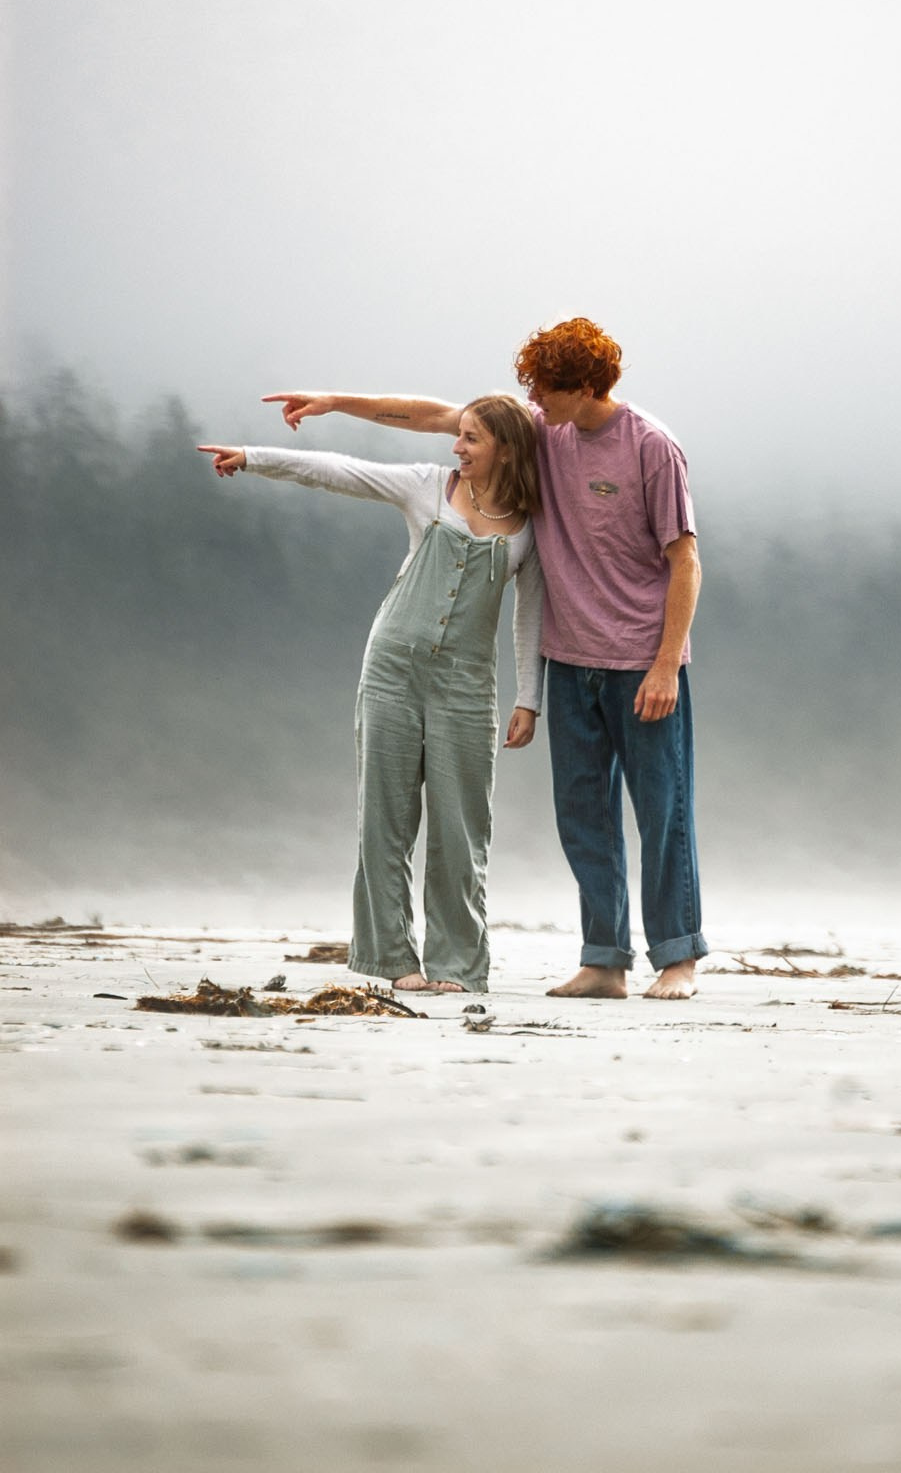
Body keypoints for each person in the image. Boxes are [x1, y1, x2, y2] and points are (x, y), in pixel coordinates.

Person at [263, 317, 706, 1000]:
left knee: (662, 810)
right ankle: (605, 961)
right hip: (570, 660)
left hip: (643, 662)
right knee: (584, 817)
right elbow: (433, 415)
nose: (535, 400)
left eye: (546, 388)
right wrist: (334, 402)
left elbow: (686, 560)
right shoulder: (544, 430)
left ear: (585, 385)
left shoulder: (652, 447)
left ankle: (678, 959)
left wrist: (667, 662)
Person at [196, 396, 544, 996]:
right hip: (392, 668)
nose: (456, 447)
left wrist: (528, 699)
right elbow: (337, 471)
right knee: (386, 818)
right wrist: (251, 457)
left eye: (471, 439)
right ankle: (389, 958)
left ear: (506, 450)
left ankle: (457, 964)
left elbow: (530, 615)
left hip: (467, 685)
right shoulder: (427, 487)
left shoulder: (532, 527)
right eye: (458, 434)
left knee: (462, 828)